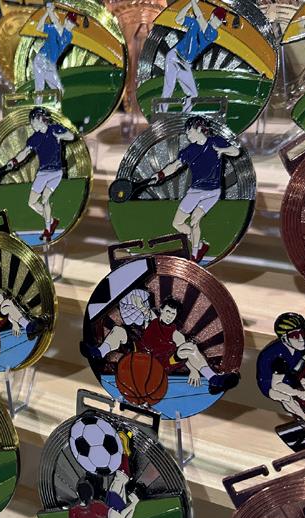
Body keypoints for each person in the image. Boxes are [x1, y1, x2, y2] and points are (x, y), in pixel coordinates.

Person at [82, 296, 240, 394]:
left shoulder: (176, 335)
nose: (170, 315)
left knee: (190, 348)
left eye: (173, 313)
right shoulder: (152, 318)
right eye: (168, 312)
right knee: (118, 331)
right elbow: (143, 308)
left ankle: (213, 378)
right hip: (140, 352)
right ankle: (99, 353)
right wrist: (136, 301)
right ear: (162, 310)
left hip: (162, 363)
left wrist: (193, 370)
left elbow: (188, 355)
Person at [148, 116, 240, 263]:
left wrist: (223, 150)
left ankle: (195, 253)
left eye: (189, 131)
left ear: (198, 128)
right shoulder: (189, 151)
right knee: (177, 223)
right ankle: (201, 245)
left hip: (212, 192)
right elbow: (175, 166)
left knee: (195, 220)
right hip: (195, 191)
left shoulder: (215, 141)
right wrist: (160, 174)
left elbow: (235, 151)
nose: (187, 135)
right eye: (186, 133)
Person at [3, 107, 74, 241]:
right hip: (42, 174)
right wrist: (14, 161)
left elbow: (71, 136)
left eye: (33, 121)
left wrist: (60, 136)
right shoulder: (35, 138)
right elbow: (25, 152)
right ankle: (51, 221)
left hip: (56, 172)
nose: (32, 125)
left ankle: (47, 229)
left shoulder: (55, 129)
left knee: (45, 199)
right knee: (32, 203)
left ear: (40, 119)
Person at [160, 0, 227, 112]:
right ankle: (161, 115)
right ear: (212, 16)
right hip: (174, 57)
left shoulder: (213, 34)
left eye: (221, 21)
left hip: (185, 64)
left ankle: (184, 116)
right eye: (218, 19)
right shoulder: (195, 23)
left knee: (193, 94)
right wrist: (189, 4)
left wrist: (193, 2)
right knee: (168, 88)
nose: (219, 23)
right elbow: (178, 19)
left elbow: (199, 16)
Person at [32, 3, 78, 98]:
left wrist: (50, 10)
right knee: (40, 89)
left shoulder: (68, 36)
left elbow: (57, 24)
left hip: (50, 64)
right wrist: (47, 13)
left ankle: (56, 105)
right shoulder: (54, 28)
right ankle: (38, 106)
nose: (72, 25)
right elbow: (39, 27)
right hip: (41, 59)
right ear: (66, 20)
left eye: (74, 24)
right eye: (71, 22)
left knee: (59, 91)